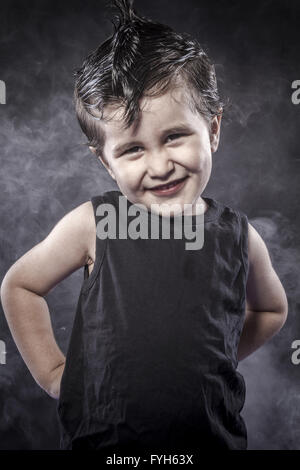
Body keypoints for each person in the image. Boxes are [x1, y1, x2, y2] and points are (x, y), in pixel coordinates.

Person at [0, 0, 288, 454]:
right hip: (105, 445)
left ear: (212, 130)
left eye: (174, 136)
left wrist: (216, 360)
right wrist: (55, 373)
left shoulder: (239, 236)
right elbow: (21, 285)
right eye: (133, 150)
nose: (160, 165)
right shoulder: (95, 224)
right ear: (106, 162)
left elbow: (271, 311)